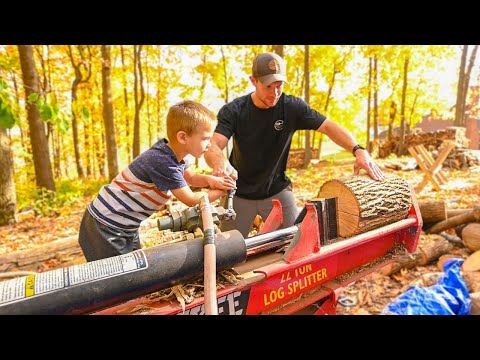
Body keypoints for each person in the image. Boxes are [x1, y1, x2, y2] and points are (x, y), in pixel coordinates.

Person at [204, 52, 385, 238]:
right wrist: (220, 162)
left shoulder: (292, 107)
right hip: (239, 193)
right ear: (253, 81)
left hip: (277, 190)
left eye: (279, 85)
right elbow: (213, 145)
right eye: (268, 86)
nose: (274, 93)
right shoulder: (234, 110)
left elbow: (329, 127)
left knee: (296, 241)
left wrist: (359, 150)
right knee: (228, 252)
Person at [79, 100, 236, 261]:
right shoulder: (163, 162)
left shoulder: (172, 156)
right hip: (106, 226)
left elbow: (192, 178)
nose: (209, 144)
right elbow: (190, 199)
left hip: (125, 225)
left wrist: (213, 181)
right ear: (182, 137)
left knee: (134, 269)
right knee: (117, 276)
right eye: (205, 138)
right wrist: (220, 191)